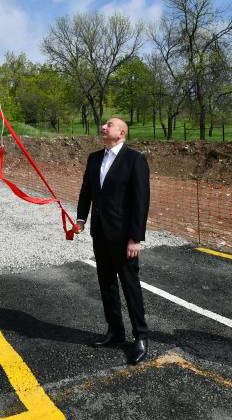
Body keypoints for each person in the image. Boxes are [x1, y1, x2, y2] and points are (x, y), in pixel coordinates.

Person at [76, 117, 150, 364]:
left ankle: (140, 336)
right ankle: (115, 331)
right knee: (106, 284)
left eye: (109, 125)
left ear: (121, 133)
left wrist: (135, 238)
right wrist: (80, 219)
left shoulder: (135, 159)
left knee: (130, 286)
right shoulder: (94, 157)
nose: (104, 127)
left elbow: (141, 202)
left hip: (123, 238)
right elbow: (87, 190)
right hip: (100, 233)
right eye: (104, 125)